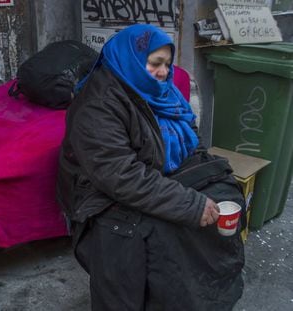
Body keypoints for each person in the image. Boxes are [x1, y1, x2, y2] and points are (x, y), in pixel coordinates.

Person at [56, 24, 245, 311]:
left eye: (167, 65)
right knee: (156, 233)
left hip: (152, 173)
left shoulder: (161, 92)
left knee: (222, 191)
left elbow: (192, 140)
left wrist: (202, 196)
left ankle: (199, 298)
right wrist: (191, 205)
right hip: (99, 194)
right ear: (130, 59)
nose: (163, 73)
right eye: (155, 64)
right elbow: (122, 177)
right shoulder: (96, 108)